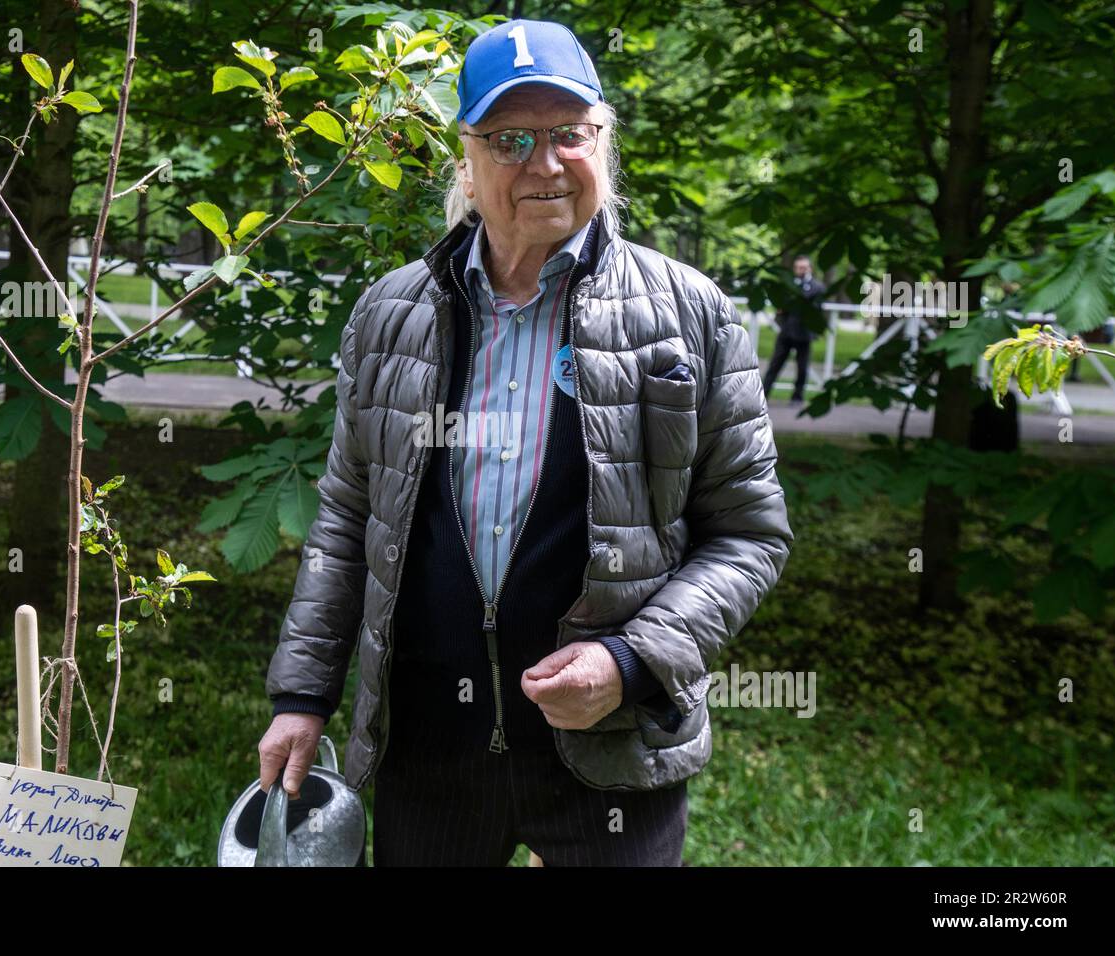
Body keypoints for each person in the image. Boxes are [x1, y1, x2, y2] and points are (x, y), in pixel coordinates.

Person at [257, 18, 794, 866]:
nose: (543, 164)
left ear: (601, 144)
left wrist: (630, 661)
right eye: (509, 139)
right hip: (427, 743)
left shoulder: (690, 313)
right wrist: (302, 694)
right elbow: (347, 522)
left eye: (567, 135)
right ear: (466, 160)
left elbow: (749, 533)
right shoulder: (390, 314)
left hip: (611, 749)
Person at [761, 254, 826, 404]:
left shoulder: (817, 287)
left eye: (803, 267)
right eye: (797, 267)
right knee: (774, 365)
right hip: (786, 332)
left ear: (809, 268)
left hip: (804, 334)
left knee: (802, 367)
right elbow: (781, 306)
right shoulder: (787, 285)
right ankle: (764, 395)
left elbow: (813, 308)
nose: (800, 270)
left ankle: (797, 396)